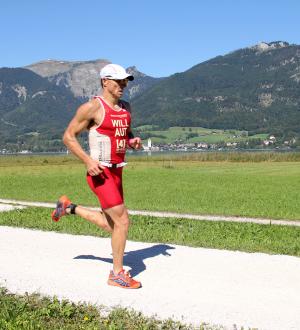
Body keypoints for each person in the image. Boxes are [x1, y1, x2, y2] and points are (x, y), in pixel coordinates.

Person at [51, 64, 142, 289]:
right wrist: (88, 161)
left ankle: (68, 207)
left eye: (126, 81)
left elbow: (124, 133)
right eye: (119, 81)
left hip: (118, 171)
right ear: (105, 82)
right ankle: (117, 274)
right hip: (100, 173)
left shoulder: (126, 108)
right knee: (122, 221)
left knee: (112, 225)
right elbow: (68, 137)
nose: (123, 85)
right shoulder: (92, 108)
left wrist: (132, 141)